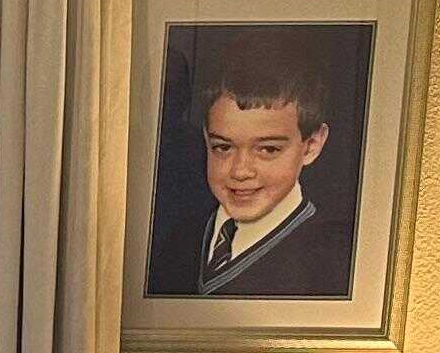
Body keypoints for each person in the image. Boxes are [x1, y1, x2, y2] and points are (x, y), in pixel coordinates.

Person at [148, 31, 359, 299]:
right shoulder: (178, 238)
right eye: (223, 147)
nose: (240, 171)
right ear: (206, 138)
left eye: (268, 150)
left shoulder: (332, 267)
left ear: (312, 145)